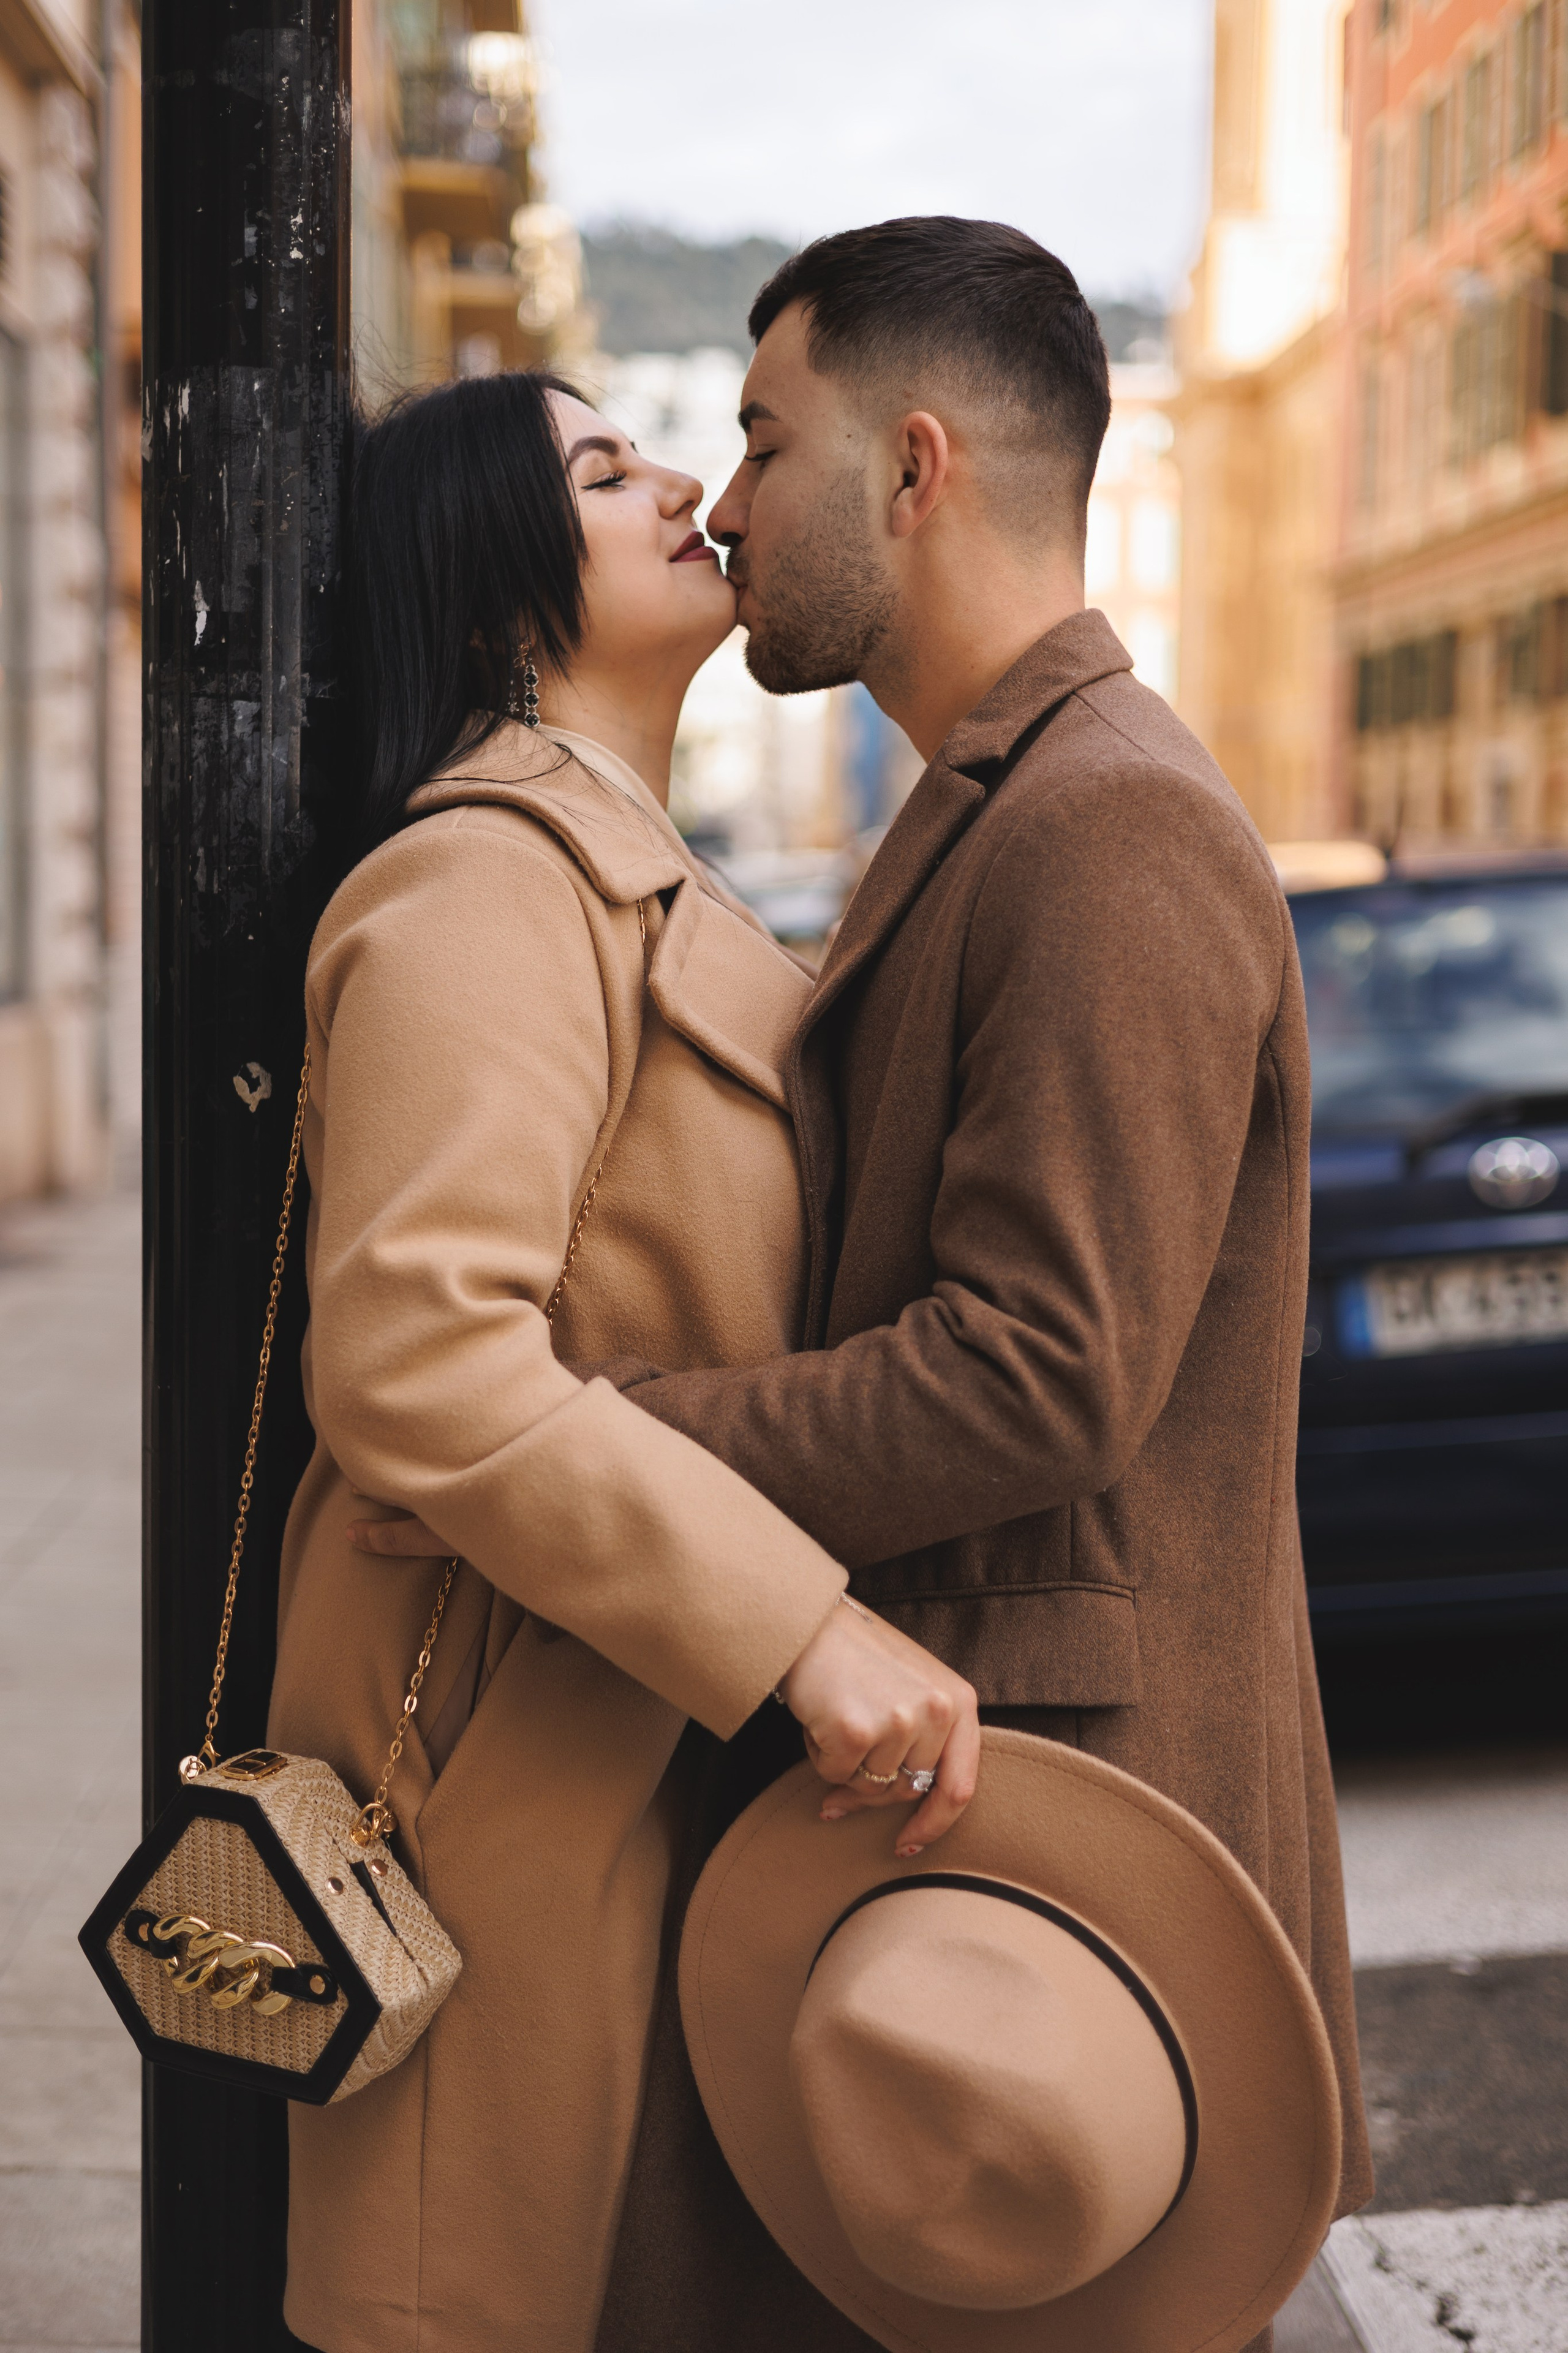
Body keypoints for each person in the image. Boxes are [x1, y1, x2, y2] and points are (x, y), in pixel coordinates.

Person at [359, 216, 1374, 2353]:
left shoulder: (1103, 823)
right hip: (941, 1809)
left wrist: (610, 1434)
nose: (723, 500)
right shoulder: (990, 809)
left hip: (1065, 1823)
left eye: (754, 438)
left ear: (911, 472)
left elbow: (1040, 1373)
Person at [266, 366, 981, 2353]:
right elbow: (416, 1357)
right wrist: (802, 1627)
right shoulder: (485, 881)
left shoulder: (630, 877)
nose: (685, 481)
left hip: (643, 1727)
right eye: (604, 469)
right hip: (516, 1740)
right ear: (499, 600)